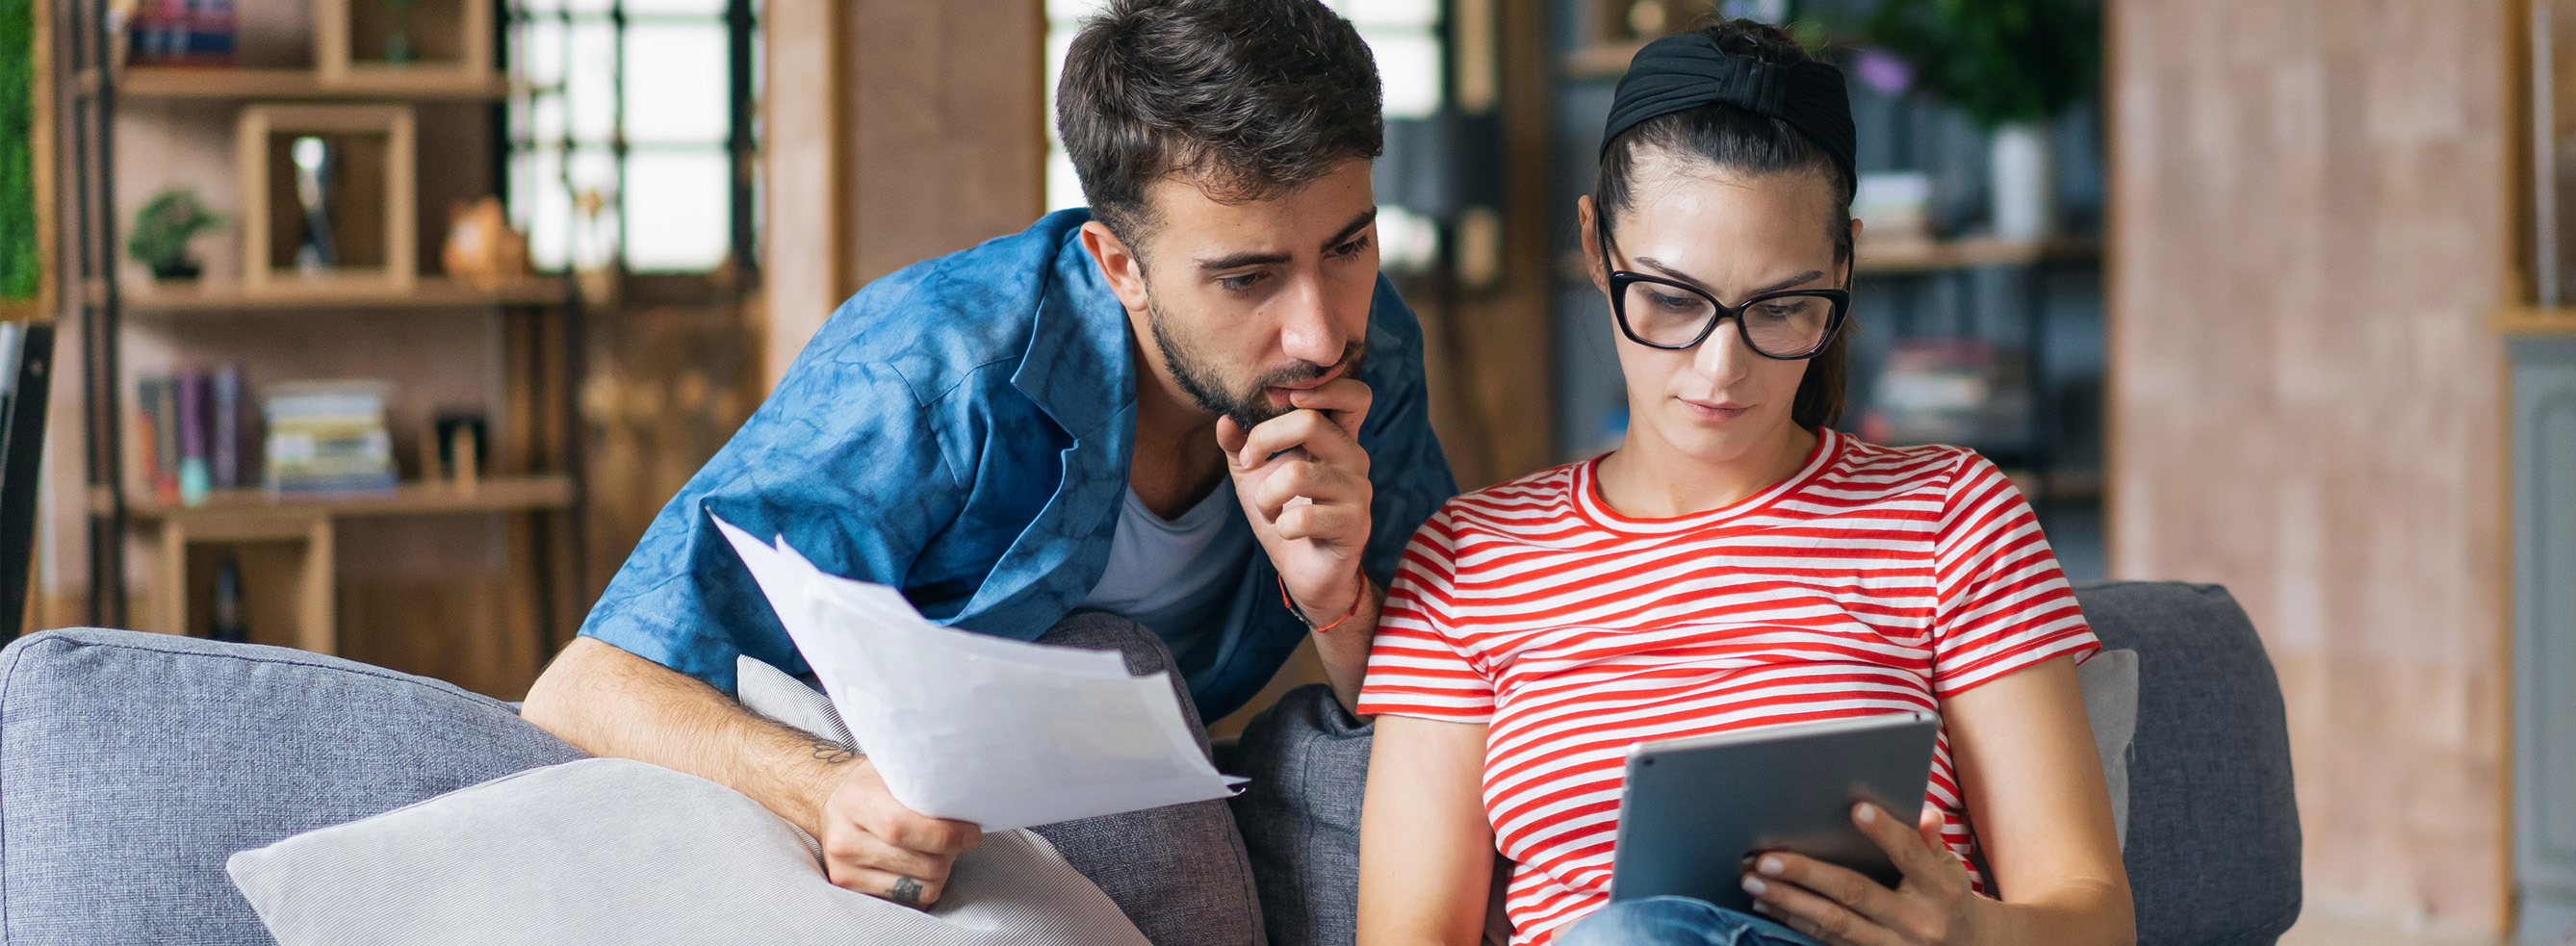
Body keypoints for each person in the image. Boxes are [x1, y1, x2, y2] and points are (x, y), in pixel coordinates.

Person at [517, 0, 1456, 911]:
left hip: (1157, 796)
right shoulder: (937, 367)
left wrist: (1336, 602)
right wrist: (825, 790)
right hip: (889, 826)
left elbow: (1441, 694)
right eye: (1247, 277)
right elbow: (587, 685)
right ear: (1117, 263)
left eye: (1349, 244)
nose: (1320, 330)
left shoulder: (1373, 347)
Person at [1350, 21, 2136, 946]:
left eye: (1783, 307)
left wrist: (1969, 934)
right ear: (1596, 246)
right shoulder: (1471, 558)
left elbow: (2095, 917)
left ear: (1844, 264)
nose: (1721, 370)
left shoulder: (1952, 515)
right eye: (1674, 300)